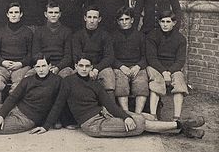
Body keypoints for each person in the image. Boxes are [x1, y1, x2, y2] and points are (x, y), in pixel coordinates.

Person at [31, 56, 205, 139]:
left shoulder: (95, 83)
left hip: (103, 114)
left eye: (87, 66)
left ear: (92, 67)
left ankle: (184, 129)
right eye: (81, 65)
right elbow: (58, 104)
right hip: (93, 124)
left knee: (141, 117)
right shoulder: (67, 82)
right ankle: (182, 126)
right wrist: (45, 126)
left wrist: (124, 115)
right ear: (76, 65)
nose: (84, 68)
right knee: (140, 123)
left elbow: (109, 104)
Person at [146, 11, 188, 121]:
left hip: (172, 68)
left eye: (168, 22)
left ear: (174, 23)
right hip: (155, 66)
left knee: (179, 80)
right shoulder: (152, 36)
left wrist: (169, 72)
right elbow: (151, 58)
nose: (165, 24)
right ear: (159, 22)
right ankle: (153, 116)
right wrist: (163, 72)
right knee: (157, 81)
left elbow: (180, 60)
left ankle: (176, 117)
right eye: (162, 21)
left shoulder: (180, 39)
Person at [0, 2, 33, 105]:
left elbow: (31, 54)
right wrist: (2, 62)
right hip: (3, 65)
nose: (13, 15)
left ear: (21, 14)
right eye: (11, 12)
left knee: (19, 87)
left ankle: (13, 110)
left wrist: (20, 64)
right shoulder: (0, 31)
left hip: (21, 66)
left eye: (16, 12)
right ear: (7, 14)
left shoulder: (27, 32)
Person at [72, 5, 115, 101]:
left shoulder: (105, 35)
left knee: (108, 75)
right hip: (83, 65)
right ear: (85, 18)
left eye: (95, 17)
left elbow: (109, 56)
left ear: (99, 19)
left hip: (100, 66)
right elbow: (76, 54)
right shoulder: (77, 35)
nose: (92, 20)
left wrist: (96, 69)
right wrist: (87, 68)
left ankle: (111, 109)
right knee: (72, 79)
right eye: (89, 17)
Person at [112, 7, 148, 113]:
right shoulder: (112, 36)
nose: (124, 22)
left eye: (126, 19)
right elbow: (110, 56)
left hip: (137, 66)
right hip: (120, 67)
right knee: (121, 83)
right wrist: (121, 66)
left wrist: (138, 66)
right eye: (121, 20)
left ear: (132, 20)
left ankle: (138, 114)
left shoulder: (140, 36)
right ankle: (126, 112)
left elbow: (146, 56)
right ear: (118, 21)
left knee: (141, 82)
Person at [26, 2, 74, 78]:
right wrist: (45, 66)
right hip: (43, 65)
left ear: (60, 14)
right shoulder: (39, 31)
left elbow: (68, 56)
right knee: (28, 76)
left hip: (62, 67)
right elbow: (35, 53)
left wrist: (58, 67)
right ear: (46, 14)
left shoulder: (67, 31)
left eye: (56, 12)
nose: (53, 15)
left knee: (66, 76)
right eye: (50, 12)